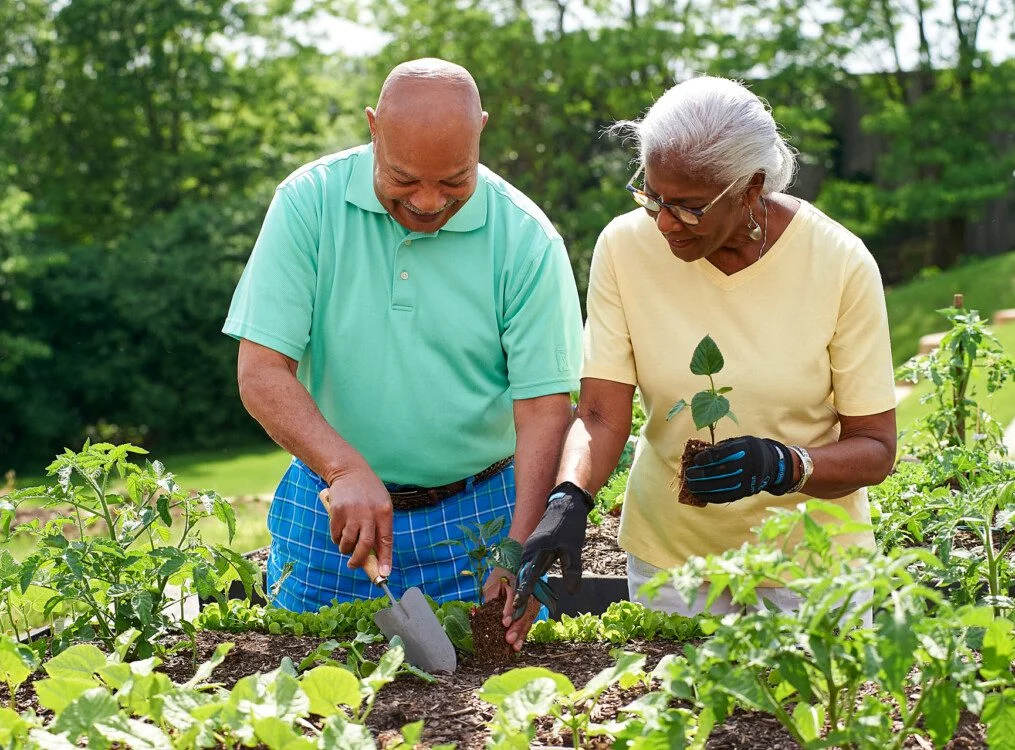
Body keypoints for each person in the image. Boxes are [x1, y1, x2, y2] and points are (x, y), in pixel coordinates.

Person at [508, 76, 897, 646]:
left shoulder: (838, 263)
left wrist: (787, 464)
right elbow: (599, 413)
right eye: (654, 197)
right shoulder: (625, 247)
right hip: (673, 568)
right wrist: (569, 498)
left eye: (689, 207)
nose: (664, 223)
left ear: (749, 188)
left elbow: (877, 448)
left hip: (813, 571)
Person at [223, 58, 583, 628]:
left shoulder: (526, 239)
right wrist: (343, 469)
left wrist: (519, 547)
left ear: (481, 130)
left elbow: (544, 408)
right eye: (406, 179)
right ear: (373, 127)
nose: (429, 202)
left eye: (453, 181)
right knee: (307, 692)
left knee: (486, 706)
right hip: (329, 510)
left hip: (478, 517)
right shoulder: (306, 204)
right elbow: (262, 371)